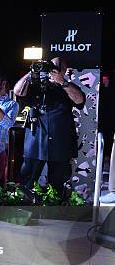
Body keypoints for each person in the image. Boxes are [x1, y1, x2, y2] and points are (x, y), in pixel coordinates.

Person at [14, 57, 85, 197]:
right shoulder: (36, 86)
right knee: (27, 182)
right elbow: (18, 91)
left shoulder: (68, 87)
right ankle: (23, 211)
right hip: (36, 143)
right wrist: (32, 71)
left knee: (57, 184)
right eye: (51, 68)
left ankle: (54, 213)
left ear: (64, 71)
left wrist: (61, 82)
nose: (53, 72)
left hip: (60, 144)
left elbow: (80, 100)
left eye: (57, 69)